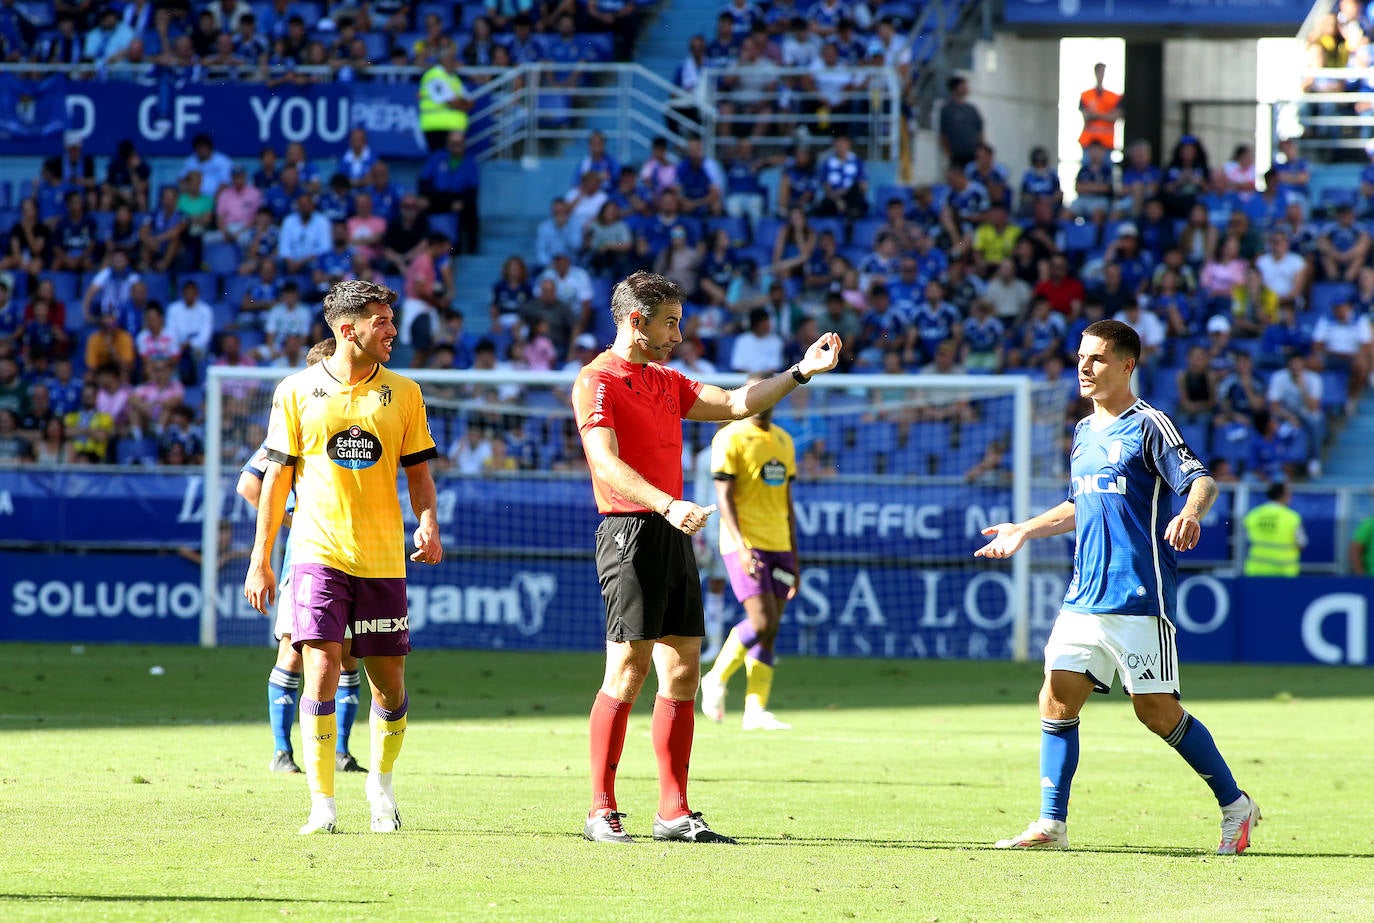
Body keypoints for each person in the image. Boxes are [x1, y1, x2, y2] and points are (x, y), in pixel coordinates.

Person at [571, 271, 841, 844]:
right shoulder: (597, 380)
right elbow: (604, 462)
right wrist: (666, 503)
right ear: (635, 320)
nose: (678, 333)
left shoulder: (665, 380)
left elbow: (738, 401)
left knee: (684, 668)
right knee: (628, 668)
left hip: (672, 532)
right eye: (670, 322)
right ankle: (600, 809)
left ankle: (674, 811)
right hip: (630, 531)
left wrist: (800, 372)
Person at [975, 318, 1259, 855]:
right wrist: (1024, 530)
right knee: (1057, 698)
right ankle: (1050, 824)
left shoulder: (1150, 425)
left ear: (1127, 365)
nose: (1084, 366)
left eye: (1098, 357)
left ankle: (1235, 805)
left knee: (1156, 711)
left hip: (1138, 595)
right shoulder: (1083, 432)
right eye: (1081, 356)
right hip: (1084, 595)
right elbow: (1080, 506)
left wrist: (1192, 513)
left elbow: (1202, 479)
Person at [244, 280, 443, 836]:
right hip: (316, 553)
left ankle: (380, 787)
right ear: (347, 328)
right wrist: (261, 557)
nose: (393, 332)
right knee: (322, 671)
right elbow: (275, 481)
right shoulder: (295, 390)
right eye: (382, 321)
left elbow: (420, 475)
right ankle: (322, 803)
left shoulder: (405, 392)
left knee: (389, 686)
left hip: (382, 559)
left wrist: (427, 520)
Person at [236, 338, 366, 774]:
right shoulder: (299, 416)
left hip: (358, 554)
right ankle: (281, 750)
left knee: (348, 653)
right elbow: (250, 483)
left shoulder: (359, 420)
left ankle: (343, 751)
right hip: (306, 554)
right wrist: (288, 522)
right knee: (294, 650)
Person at [698, 373, 799, 731]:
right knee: (761, 621)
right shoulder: (729, 437)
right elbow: (723, 497)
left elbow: (786, 501)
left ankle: (755, 709)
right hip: (744, 543)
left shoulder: (785, 441)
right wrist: (740, 546)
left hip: (780, 545)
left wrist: (795, 558)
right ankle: (715, 678)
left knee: (771, 629)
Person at [1242, 481, 1306, 577]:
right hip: (1284, 573)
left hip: (1256, 571)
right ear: (1284, 495)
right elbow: (1301, 544)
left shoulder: (1253, 515)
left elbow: (1245, 539)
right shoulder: (1292, 517)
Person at [417, 46, 472, 151]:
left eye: (454, 58)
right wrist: (460, 103)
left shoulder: (454, 78)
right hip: (436, 126)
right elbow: (453, 102)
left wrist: (461, 103)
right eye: (451, 58)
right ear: (443, 60)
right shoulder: (434, 75)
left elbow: (470, 102)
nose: (454, 61)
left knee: (454, 161)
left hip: (454, 126)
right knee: (440, 158)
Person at [1078, 62, 1122, 154]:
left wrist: (1094, 114)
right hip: (1088, 142)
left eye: (1103, 72)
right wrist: (1106, 114)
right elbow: (1086, 117)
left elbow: (1114, 117)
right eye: (1099, 72)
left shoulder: (1114, 97)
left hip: (1107, 143)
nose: (1101, 75)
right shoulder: (1086, 95)